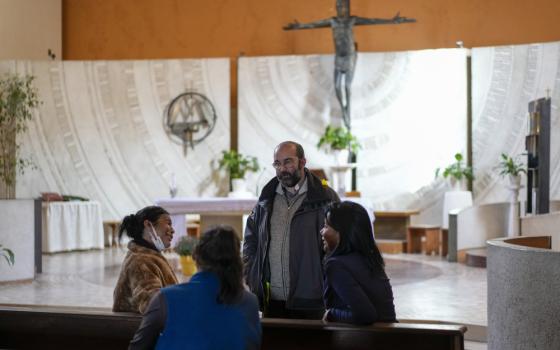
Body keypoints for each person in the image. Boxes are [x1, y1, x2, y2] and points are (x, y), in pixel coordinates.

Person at [243, 141, 339, 319]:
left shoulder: (325, 198)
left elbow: (339, 244)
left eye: (288, 162)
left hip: (310, 298)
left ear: (302, 162)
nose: (282, 169)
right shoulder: (266, 199)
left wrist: (324, 280)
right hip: (271, 300)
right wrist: (252, 273)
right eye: (277, 164)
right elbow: (251, 239)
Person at [284, 0, 415, 130]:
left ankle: (347, 114)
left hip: (349, 57)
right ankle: (344, 109)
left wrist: (392, 21)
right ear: (337, 7)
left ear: (348, 8)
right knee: (336, 87)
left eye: (344, 6)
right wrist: (299, 26)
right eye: (339, 6)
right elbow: (313, 25)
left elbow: (373, 21)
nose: (341, 9)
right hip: (339, 57)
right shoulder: (333, 21)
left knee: (346, 87)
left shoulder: (352, 20)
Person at [129, 226, 262, 350]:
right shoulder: (250, 302)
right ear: (237, 263)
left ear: (196, 257)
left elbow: (137, 347)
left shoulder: (166, 298)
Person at [321, 201, 396, 324]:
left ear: (342, 233)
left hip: (369, 339)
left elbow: (365, 315)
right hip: (389, 334)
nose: (321, 232)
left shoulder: (336, 265)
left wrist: (330, 314)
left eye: (326, 226)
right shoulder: (368, 257)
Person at [113, 206, 178, 314]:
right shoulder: (140, 261)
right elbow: (153, 304)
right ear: (148, 225)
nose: (173, 230)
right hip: (137, 328)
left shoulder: (146, 255)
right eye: (168, 223)